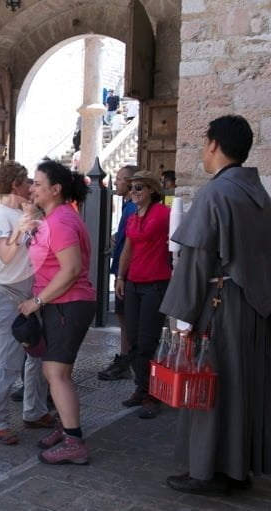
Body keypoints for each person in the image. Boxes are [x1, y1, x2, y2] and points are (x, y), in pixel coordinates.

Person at [161, 115, 271, 495]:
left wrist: (182, 319)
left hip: (221, 306)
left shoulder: (215, 193)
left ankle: (206, 471)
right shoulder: (258, 193)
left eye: (204, 142)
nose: (203, 150)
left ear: (213, 144)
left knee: (209, 386)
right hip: (253, 308)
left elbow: (196, 261)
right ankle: (237, 468)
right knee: (242, 388)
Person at [18, 159, 95, 465]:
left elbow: (71, 269)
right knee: (58, 372)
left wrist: (36, 302)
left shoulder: (61, 221)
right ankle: (66, 428)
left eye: (38, 184)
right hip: (62, 304)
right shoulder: (57, 217)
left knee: (55, 373)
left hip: (67, 304)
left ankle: (74, 441)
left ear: (56, 189)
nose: (32, 188)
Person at [0, 161, 53, 446]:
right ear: (15, 184)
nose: (31, 186)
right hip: (9, 296)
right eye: (27, 182)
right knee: (8, 361)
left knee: (37, 356)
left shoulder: (24, 212)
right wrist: (21, 228)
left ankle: (34, 410)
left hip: (31, 294)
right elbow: (6, 256)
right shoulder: (1, 216)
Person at [114, 170, 171, 420]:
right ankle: (142, 387)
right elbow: (128, 248)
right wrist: (120, 276)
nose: (133, 192)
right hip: (134, 284)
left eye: (139, 187)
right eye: (132, 187)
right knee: (134, 339)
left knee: (148, 341)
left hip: (156, 284)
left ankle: (153, 394)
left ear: (151, 190)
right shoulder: (132, 217)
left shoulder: (163, 214)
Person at [98, 165, 138, 381]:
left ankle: (127, 359)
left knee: (126, 319)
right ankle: (125, 357)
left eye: (121, 179)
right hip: (123, 269)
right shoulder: (127, 207)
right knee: (123, 317)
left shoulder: (133, 209)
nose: (117, 182)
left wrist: (122, 274)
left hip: (128, 272)